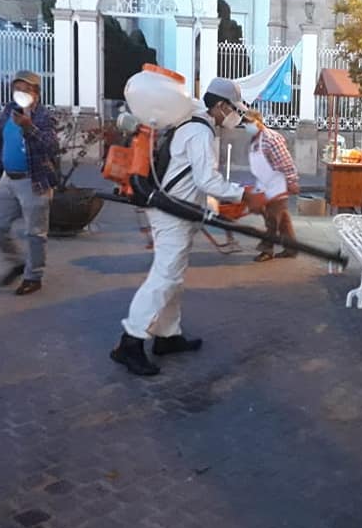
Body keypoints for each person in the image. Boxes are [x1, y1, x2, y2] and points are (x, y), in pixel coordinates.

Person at [111, 77, 265, 377]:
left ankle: (167, 336)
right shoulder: (199, 131)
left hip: (178, 211)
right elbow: (206, 180)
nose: (236, 115)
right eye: (233, 109)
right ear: (220, 106)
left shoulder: (193, 118)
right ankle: (129, 343)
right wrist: (245, 195)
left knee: (173, 278)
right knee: (163, 279)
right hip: (171, 215)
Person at [0, 71, 59, 296]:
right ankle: (17, 262)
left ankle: (33, 276)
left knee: (35, 234)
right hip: (9, 180)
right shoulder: (8, 111)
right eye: (17, 88)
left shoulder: (43, 117)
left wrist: (29, 127)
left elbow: (51, 147)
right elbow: (1, 145)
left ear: (36, 93)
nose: (20, 93)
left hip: (34, 181)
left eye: (26, 89)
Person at [242, 109, 300, 262]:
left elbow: (285, 162)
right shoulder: (255, 141)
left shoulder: (271, 138)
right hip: (264, 185)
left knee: (272, 219)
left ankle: (267, 249)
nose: (247, 126)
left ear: (259, 122)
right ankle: (291, 248)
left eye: (249, 123)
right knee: (283, 218)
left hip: (278, 185)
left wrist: (292, 181)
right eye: (245, 124)